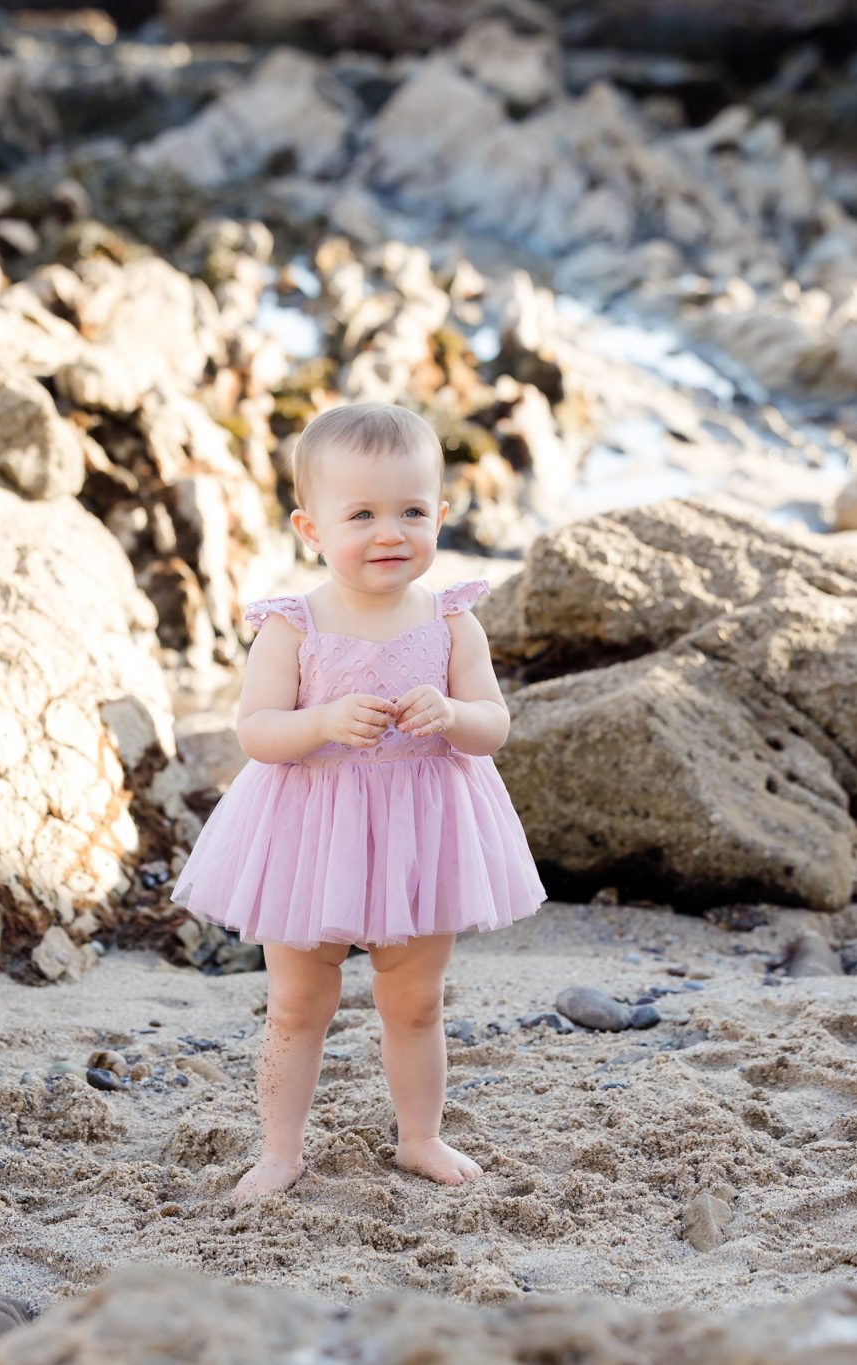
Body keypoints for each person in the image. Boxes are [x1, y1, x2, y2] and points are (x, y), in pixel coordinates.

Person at [169, 401, 547, 1204]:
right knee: (298, 1001)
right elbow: (257, 731)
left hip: (422, 827)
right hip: (311, 829)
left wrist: (452, 714)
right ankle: (279, 1149)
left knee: (414, 998)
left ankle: (420, 1136)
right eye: (363, 513)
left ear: (442, 515)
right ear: (310, 527)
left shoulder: (451, 622)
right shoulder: (294, 625)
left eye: (412, 511)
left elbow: (495, 725)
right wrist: (322, 721)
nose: (390, 532)